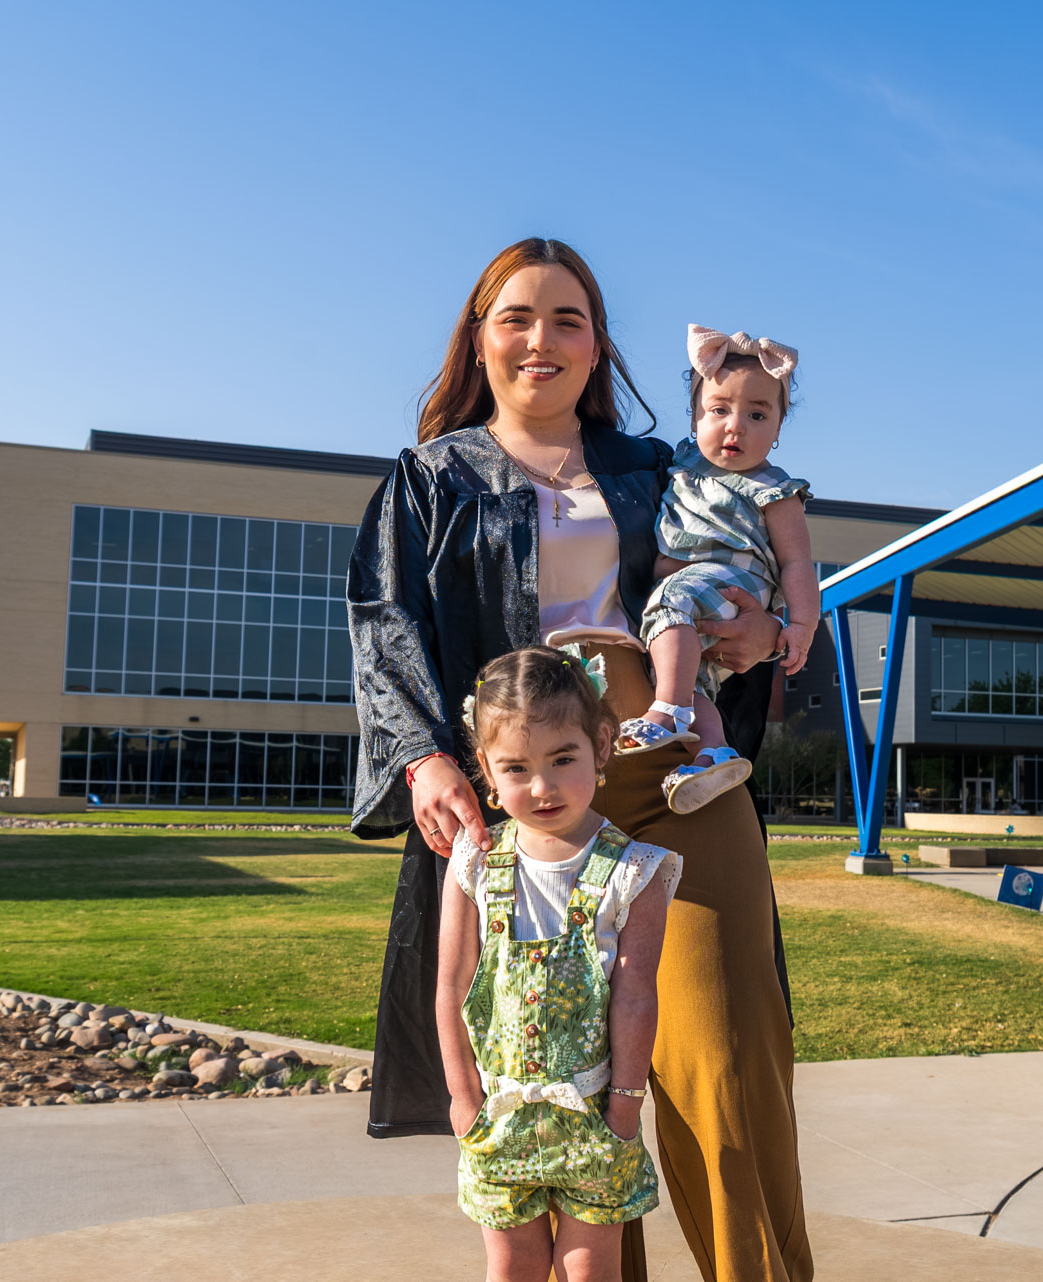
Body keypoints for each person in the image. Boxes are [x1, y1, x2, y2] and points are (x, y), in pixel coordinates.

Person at [348, 237, 813, 1281]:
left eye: (569, 319)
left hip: (677, 777)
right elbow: (386, 629)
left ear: (599, 344)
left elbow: (746, 555)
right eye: (518, 316)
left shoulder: (664, 468)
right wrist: (425, 757)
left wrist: (750, 625)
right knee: (579, 1082)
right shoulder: (432, 482)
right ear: (481, 336)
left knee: (727, 1065)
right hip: (540, 811)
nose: (542, 339)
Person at [438, 645, 677, 1282]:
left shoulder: (635, 871)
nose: (541, 787)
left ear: (602, 745)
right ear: (486, 770)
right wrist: (463, 1097)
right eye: (515, 768)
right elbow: (452, 983)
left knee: (588, 1272)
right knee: (512, 1268)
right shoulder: (475, 863)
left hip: (595, 1115)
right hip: (499, 1114)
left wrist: (624, 1105)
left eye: (562, 760)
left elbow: (635, 996)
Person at [616, 325, 820, 814]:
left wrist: (801, 625)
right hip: (700, 595)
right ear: (693, 418)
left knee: (669, 605)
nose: (736, 427)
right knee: (692, 679)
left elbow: (797, 562)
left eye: (757, 414)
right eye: (719, 410)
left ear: (777, 430)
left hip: (728, 585)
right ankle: (712, 752)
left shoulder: (775, 490)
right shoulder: (681, 464)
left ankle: (665, 713)